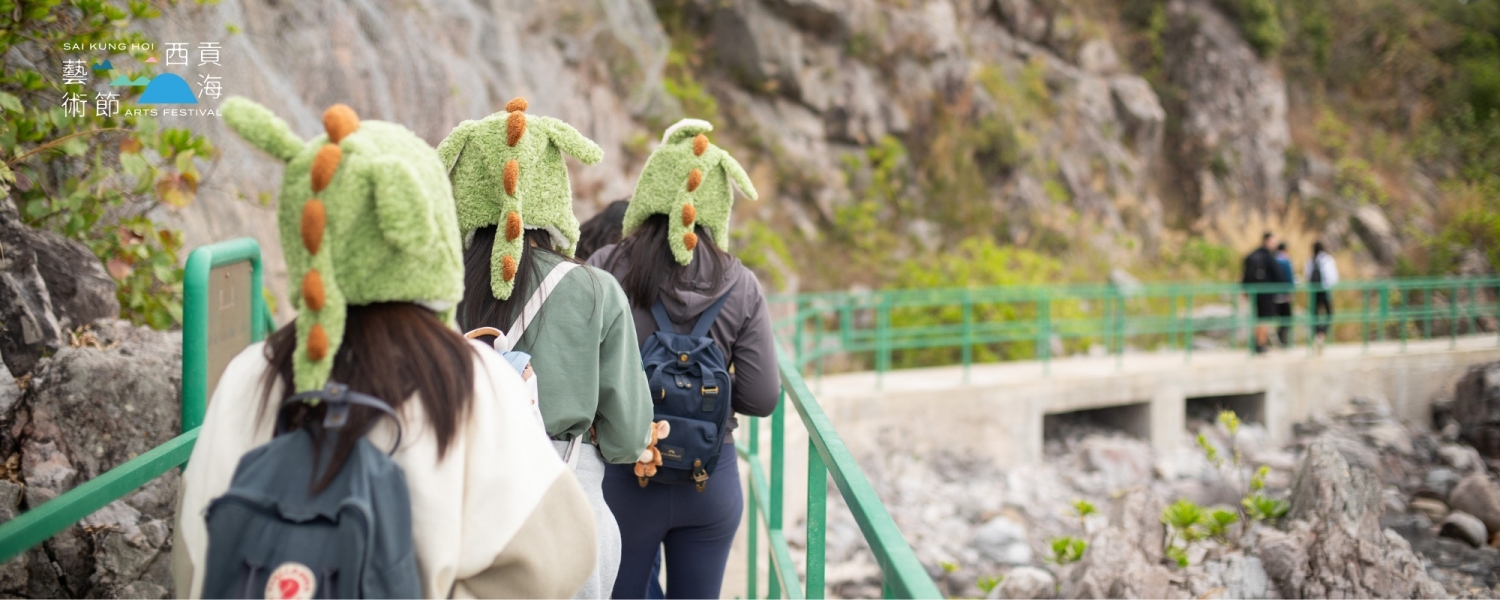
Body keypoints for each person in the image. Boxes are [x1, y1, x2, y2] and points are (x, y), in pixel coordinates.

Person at [174, 98, 596, 598]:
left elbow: (194, 558)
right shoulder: (475, 381)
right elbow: (560, 558)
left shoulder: (251, 374)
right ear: (432, 233)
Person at [440, 97, 653, 600]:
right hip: (567, 503)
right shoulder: (596, 290)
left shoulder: (438, 288)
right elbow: (628, 439)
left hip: (459, 510)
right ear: (552, 190)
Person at [589, 119, 779, 599]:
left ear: (648, 191)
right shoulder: (741, 284)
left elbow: (580, 373)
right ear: (718, 204)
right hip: (709, 481)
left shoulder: (606, 267)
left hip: (626, 476)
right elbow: (761, 398)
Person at [1241, 232, 1287, 354]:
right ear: (1268, 241)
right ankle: (1260, 344)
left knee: (1257, 318)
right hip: (1266, 293)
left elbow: (1245, 275)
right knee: (1264, 319)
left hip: (1254, 292)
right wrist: (1284, 290)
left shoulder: (1253, 255)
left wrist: (1245, 289)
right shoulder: (1268, 256)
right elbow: (1278, 275)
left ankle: (1257, 343)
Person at [1304, 241, 1339, 352]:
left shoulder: (1310, 260)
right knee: (1329, 314)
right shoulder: (1327, 259)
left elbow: (1307, 276)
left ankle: (1317, 335)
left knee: (1314, 315)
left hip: (1314, 292)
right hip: (1325, 291)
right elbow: (1333, 277)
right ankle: (1321, 335)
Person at [1274, 242, 1295, 347]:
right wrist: (1290, 291)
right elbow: (1290, 277)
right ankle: (1284, 340)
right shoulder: (1286, 260)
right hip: (1284, 294)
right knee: (1286, 318)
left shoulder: (1273, 259)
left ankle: (1279, 337)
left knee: (1276, 317)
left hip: (1273, 294)